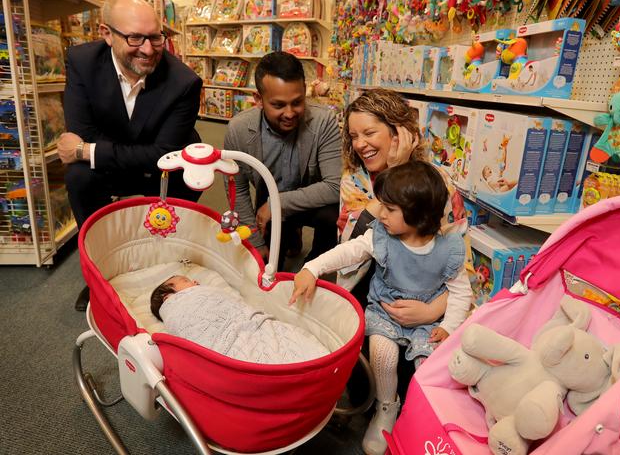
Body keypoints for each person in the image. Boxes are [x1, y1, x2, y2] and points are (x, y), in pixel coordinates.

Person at [290, 161, 473, 455]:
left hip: (428, 322)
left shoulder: (448, 248)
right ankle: (386, 407)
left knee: (430, 367)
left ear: (418, 214)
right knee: (382, 352)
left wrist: (448, 326)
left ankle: (419, 417)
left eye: (389, 208)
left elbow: (462, 291)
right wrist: (312, 268)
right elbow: (349, 251)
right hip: (384, 313)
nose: (381, 213)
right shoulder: (382, 237)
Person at [57, 0, 203, 311]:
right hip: (115, 163)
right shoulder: (82, 62)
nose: (148, 49)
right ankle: (99, 273)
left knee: (193, 176)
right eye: (135, 37)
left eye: (155, 37)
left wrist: (88, 150)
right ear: (106, 33)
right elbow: (83, 129)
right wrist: (93, 150)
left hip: (163, 166)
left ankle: (167, 261)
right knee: (79, 177)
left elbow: (163, 152)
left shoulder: (185, 82)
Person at [223, 51, 340, 270]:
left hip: (308, 203)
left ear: (305, 91)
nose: (289, 113)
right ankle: (289, 233)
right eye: (278, 105)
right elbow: (236, 191)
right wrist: (256, 243)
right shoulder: (238, 129)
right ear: (258, 100)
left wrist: (279, 203)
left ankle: (313, 266)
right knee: (267, 267)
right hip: (266, 207)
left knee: (332, 216)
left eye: (297, 102)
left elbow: (335, 186)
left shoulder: (324, 121)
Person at [151, 275, 329, 364]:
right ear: (168, 298)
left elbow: (231, 306)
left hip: (251, 324)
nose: (195, 282)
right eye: (185, 280)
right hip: (222, 347)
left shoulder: (205, 294)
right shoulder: (177, 310)